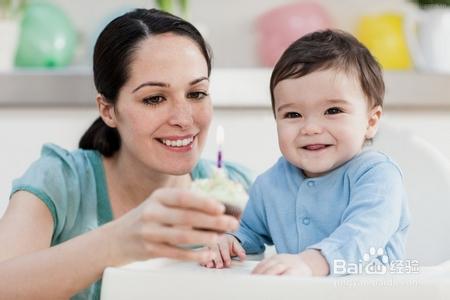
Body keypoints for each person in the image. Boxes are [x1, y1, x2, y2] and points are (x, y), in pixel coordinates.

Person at [0, 8, 252, 299]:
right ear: (108, 110)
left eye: (196, 94)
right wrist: (118, 242)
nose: (184, 118)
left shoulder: (240, 189)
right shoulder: (61, 182)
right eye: (154, 98)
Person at [203, 30, 410, 276]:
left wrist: (313, 262)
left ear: (371, 121)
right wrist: (231, 242)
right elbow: (249, 231)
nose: (310, 128)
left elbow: (364, 233)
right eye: (292, 115)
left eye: (333, 110)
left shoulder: (378, 176)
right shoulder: (270, 184)